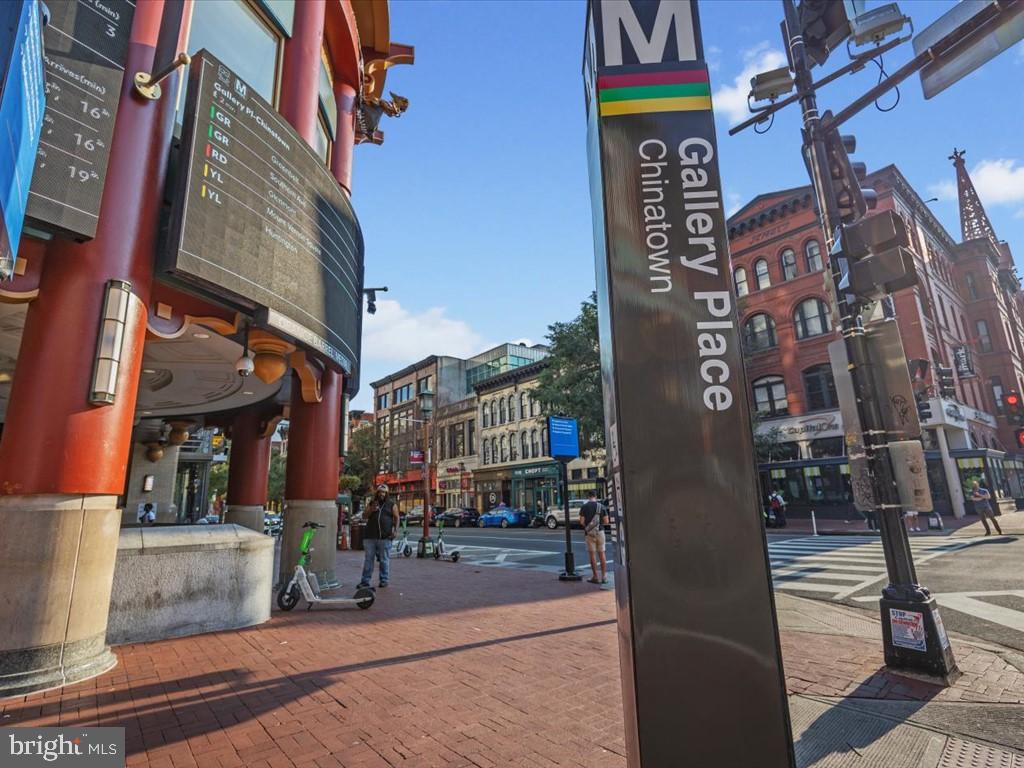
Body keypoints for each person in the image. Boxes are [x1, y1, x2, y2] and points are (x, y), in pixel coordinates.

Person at [359, 484, 399, 588]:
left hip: (385, 537)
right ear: (377, 493)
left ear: (387, 494)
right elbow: (364, 516)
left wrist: (395, 531)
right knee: (368, 560)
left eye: (384, 492)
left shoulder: (391, 504)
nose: (382, 494)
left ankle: (384, 580)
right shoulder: (372, 503)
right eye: (380, 492)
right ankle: (365, 581)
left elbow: (397, 517)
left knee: (384, 560)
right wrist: (371, 509)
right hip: (370, 537)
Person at [578, 491, 609, 585]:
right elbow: (606, 521)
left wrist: (589, 526)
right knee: (602, 554)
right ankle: (604, 577)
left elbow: (581, 522)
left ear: (588, 496)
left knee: (592, 555)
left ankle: (595, 576)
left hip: (589, 534)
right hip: (600, 532)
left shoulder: (584, 507)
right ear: (596, 496)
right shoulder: (601, 506)